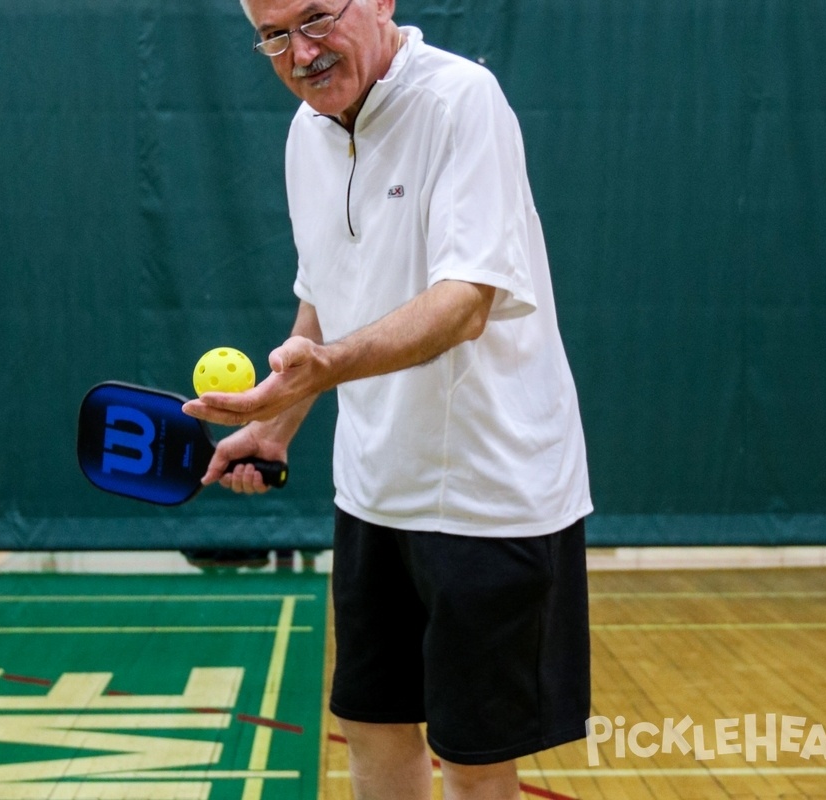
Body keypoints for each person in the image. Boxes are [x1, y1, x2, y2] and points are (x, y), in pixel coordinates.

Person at [182, 0, 593, 797]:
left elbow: (467, 300)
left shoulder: (461, 101)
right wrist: (275, 425)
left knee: (475, 762)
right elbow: (323, 297)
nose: (299, 53)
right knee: (371, 728)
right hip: (374, 492)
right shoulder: (307, 134)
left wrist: (326, 367)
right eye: (272, 36)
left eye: (315, 19)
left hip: (489, 496)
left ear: (378, 1)